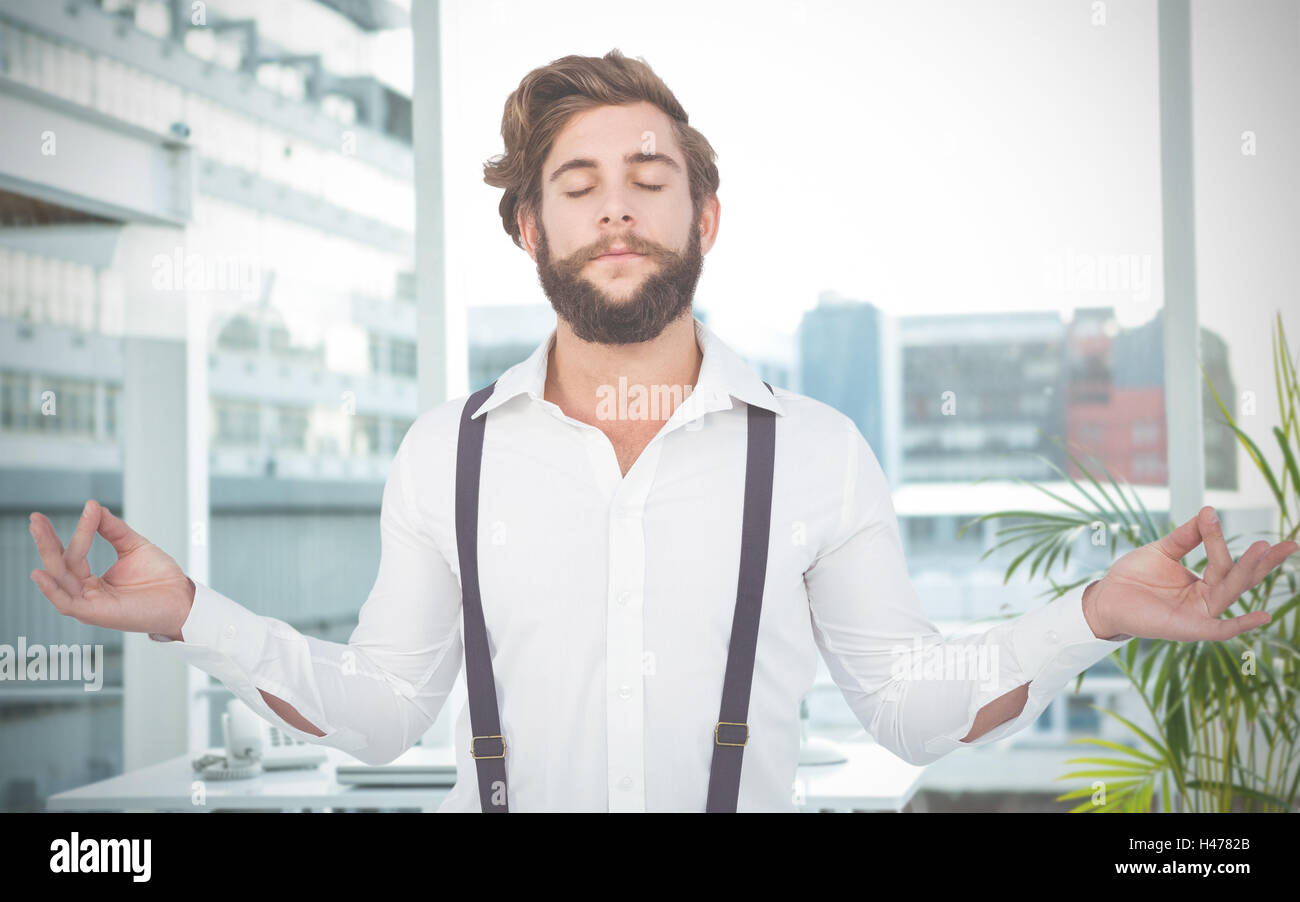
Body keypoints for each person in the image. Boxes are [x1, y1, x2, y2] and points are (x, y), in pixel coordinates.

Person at [27, 50, 1297, 812]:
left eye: (650, 183)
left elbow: (913, 711)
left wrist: (1094, 616)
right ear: (528, 229)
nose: (616, 214)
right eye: (577, 189)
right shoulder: (445, 454)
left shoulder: (814, 451)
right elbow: (379, 715)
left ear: (707, 219)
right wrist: (189, 609)